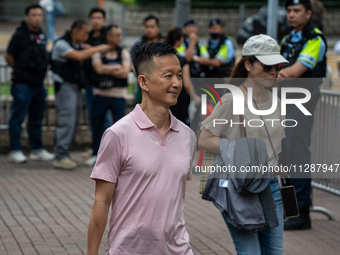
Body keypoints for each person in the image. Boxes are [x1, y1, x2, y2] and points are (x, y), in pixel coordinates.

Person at [87, 42, 196, 255]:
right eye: (168, 76)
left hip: (178, 250)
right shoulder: (118, 134)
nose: (176, 83)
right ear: (143, 82)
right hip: (128, 250)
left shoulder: (187, 136)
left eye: (179, 76)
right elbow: (101, 201)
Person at [198, 34, 288, 255]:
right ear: (248, 64)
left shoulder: (276, 100)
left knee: (274, 252)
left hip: (271, 187)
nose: (274, 72)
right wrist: (242, 152)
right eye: (268, 66)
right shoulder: (232, 100)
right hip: (240, 188)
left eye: (277, 66)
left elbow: (273, 143)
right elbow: (204, 139)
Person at [279, 0, 327, 230]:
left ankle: (302, 213)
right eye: (289, 10)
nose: (291, 14)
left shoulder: (315, 40)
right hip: (283, 104)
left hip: (301, 105)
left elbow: (293, 72)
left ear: (308, 13)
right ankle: (290, 211)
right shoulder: (288, 38)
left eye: (296, 11)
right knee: (284, 156)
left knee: (297, 155)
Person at [50, 19, 110, 170]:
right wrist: (97, 48)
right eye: (84, 33)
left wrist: (89, 48)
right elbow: (78, 56)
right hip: (64, 87)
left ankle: (64, 154)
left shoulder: (76, 44)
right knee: (67, 121)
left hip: (75, 87)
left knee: (74, 121)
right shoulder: (62, 44)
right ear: (76, 31)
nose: (86, 36)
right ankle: (60, 156)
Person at [5, 4, 54, 163]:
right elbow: (9, 56)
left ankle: (37, 149)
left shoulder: (42, 35)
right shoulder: (19, 35)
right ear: (27, 17)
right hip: (22, 85)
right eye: (33, 15)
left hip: (38, 85)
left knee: (37, 119)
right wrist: (19, 71)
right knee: (17, 118)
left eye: (39, 15)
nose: (37, 18)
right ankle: (15, 150)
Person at [84, 24, 131, 166]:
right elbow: (98, 69)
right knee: (97, 125)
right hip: (100, 95)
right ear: (109, 37)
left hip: (118, 95)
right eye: (117, 35)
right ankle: (95, 153)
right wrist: (117, 67)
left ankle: (118, 157)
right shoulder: (99, 52)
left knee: (120, 128)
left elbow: (125, 72)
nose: (120, 38)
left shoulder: (123, 52)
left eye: (121, 35)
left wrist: (108, 69)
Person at [82, 7, 111, 159]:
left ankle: (105, 150)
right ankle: (96, 149)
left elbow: (108, 52)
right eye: (93, 18)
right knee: (94, 117)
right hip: (89, 83)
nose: (96, 21)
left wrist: (91, 50)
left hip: (105, 85)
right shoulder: (86, 37)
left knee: (105, 119)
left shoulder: (108, 36)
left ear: (104, 20)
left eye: (99, 18)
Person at [164, 26, 200, 125]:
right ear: (178, 41)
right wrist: (195, 97)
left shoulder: (161, 58)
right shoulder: (181, 60)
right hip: (179, 98)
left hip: (164, 96)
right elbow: (187, 84)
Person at [131, 15, 164, 104]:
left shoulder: (164, 45)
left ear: (158, 28)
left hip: (162, 86)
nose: (149, 29)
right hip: (143, 87)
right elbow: (133, 65)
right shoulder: (138, 46)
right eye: (147, 27)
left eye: (152, 26)